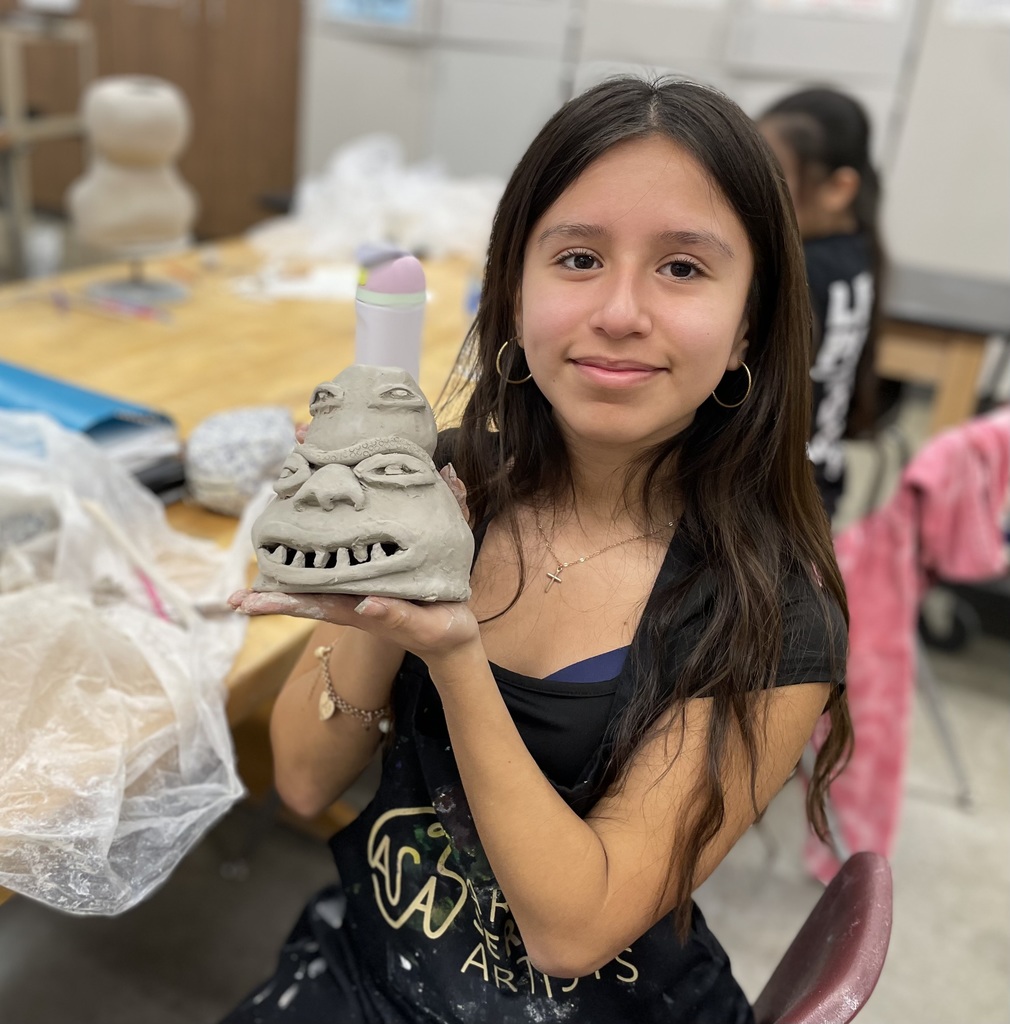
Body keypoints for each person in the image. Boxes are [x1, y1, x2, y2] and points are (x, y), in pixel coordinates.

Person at [224, 75, 852, 1024]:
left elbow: (573, 933)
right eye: (578, 258)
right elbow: (305, 778)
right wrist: (385, 589)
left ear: (747, 330)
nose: (620, 311)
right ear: (514, 289)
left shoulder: (771, 614)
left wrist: (453, 645)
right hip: (376, 957)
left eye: (683, 268)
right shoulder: (444, 485)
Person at [758, 87, 885, 521]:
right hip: (819, 490)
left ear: (838, 188)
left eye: (773, 179)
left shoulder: (800, 273)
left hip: (773, 506)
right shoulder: (858, 256)